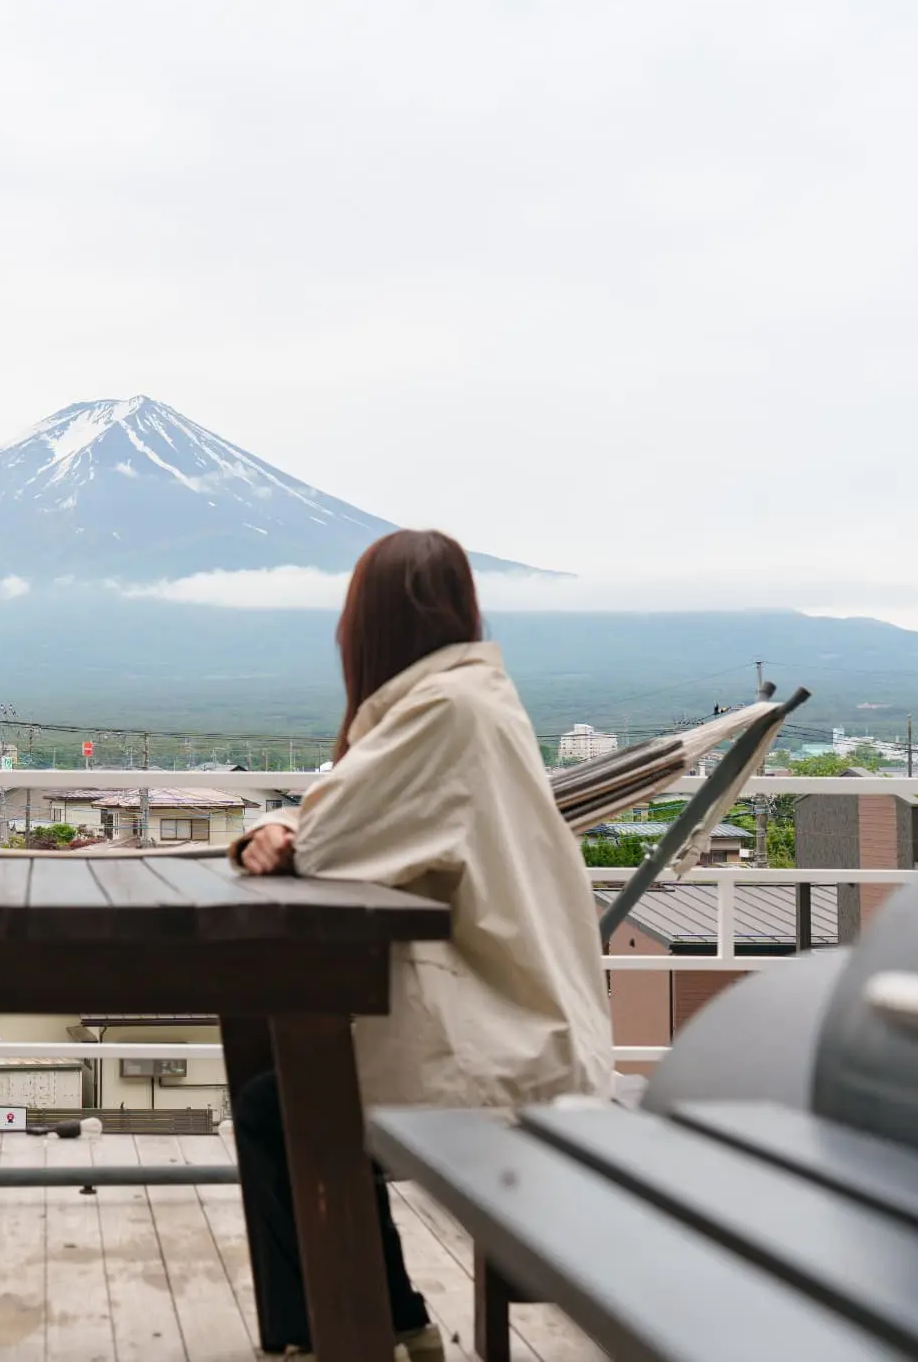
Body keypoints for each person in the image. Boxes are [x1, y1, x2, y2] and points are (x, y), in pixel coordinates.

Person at [229, 528, 615, 1362]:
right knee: (298, 1092)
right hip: (524, 1017)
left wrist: (277, 824)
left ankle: (352, 1329)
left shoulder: (443, 711)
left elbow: (331, 836)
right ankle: (388, 1320)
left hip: (507, 1040)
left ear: (369, 622)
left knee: (288, 1105)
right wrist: (287, 824)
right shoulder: (472, 701)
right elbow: (355, 821)